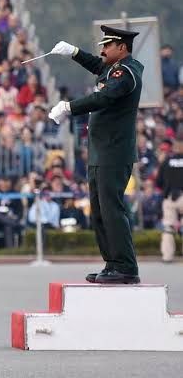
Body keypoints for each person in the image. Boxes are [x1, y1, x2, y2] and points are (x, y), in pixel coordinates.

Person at [48, 25, 143, 283]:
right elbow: (95, 64)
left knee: (112, 208)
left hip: (114, 151)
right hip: (101, 152)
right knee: (100, 210)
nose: (102, 50)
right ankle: (113, 263)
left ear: (122, 48)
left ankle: (126, 267)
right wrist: (74, 52)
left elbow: (103, 99)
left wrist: (69, 106)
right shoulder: (113, 69)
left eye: (107, 45)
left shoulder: (126, 72)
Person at [155, 138, 183, 262]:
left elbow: (158, 182)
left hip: (170, 197)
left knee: (168, 228)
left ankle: (167, 256)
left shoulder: (166, 161)